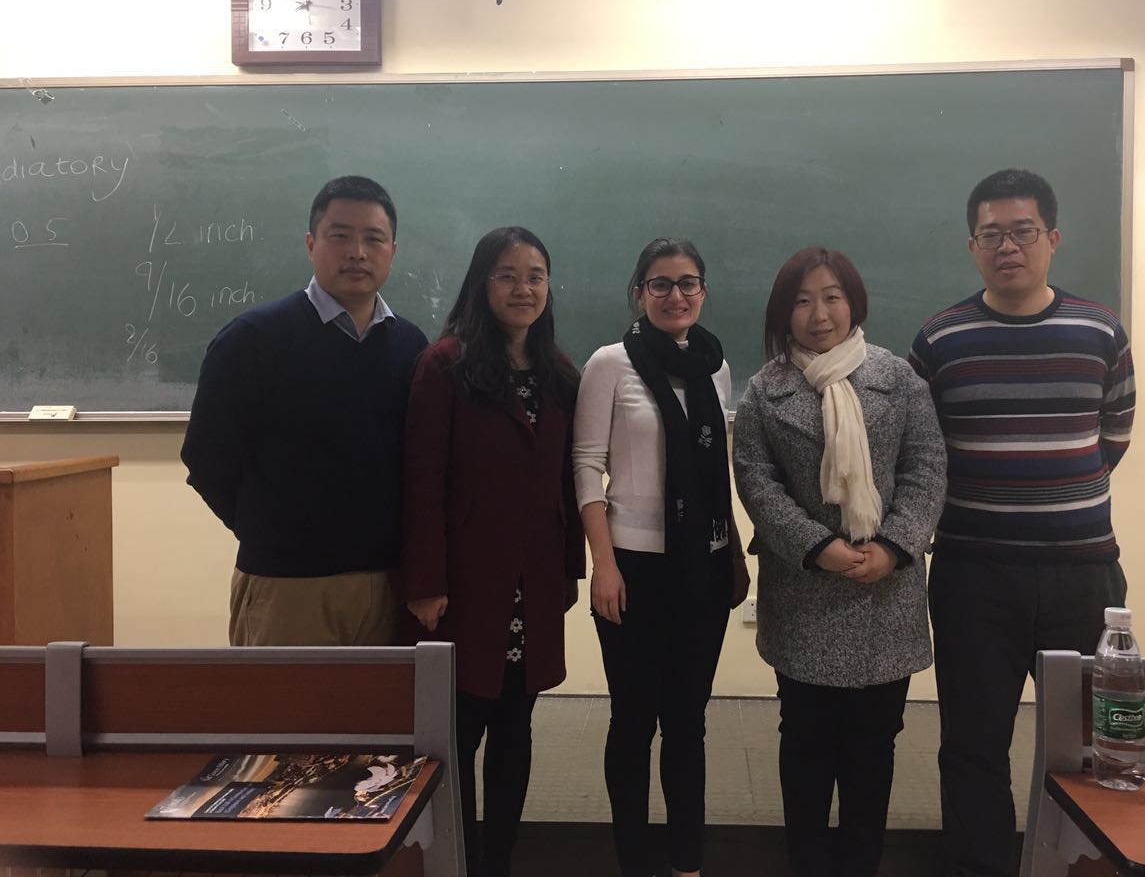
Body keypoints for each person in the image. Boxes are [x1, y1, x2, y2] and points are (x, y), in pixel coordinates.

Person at [909, 168, 1137, 877]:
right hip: (974, 574)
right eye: (992, 235)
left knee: (1093, 745)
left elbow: (1114, 434)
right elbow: (921, 454)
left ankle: (1084, 866)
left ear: (1052, 238)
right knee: (973, 746)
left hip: (1084, 573)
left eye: (1023, 231)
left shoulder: (1099, 329)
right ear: (971, 246)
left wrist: (1053, 493)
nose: (1008, 246)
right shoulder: (939, 340)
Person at [732, 248, 946, 877]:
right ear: (783, 312)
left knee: (873, 750)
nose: (818, 314)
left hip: (886, 591)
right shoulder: (765, 389)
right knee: (804, 744)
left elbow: (926, 467)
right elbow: (755, 480)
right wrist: (813, 544)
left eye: (831, 297)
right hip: (804, 593)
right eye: (802, 301)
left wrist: (895, 545)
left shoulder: (899, 379)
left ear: (854, 303)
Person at [400, 226, 584, 877]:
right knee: (458, 735)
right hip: (464, 585)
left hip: (533, 586)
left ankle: (497, 860)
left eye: (535, 275)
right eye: (507, 275)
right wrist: (425, 582)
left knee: (515, 728)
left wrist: (570, 571)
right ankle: (456, 861)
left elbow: (568, 481)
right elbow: (422, 481)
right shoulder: (445, 365)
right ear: (482, 283)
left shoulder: (559, 373)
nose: (523, 288)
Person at [181, 175, 427, 647]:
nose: (357, 252)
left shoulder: (411, 345)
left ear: (392, 251)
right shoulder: (253, 339)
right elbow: (207, 458)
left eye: (373, 239)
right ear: (311, 244)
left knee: (384, 700)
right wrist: (274, 531)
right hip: (287, 584)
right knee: (286, 700)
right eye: (340, 236)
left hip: (388, 583)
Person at [573, 238, 749, 877]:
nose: (676, 295)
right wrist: (604, 564)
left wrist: (732, 551)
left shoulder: (714, 368)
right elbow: (586, 465)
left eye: (688, 282)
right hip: (634, 570)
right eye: (660, 284)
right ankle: (633, 859)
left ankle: (685, 862)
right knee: (632, 722)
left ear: (703, 290)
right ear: (639, 292)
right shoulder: (610, 363)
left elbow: (713, 473)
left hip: (701, 569)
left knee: (687, 723)